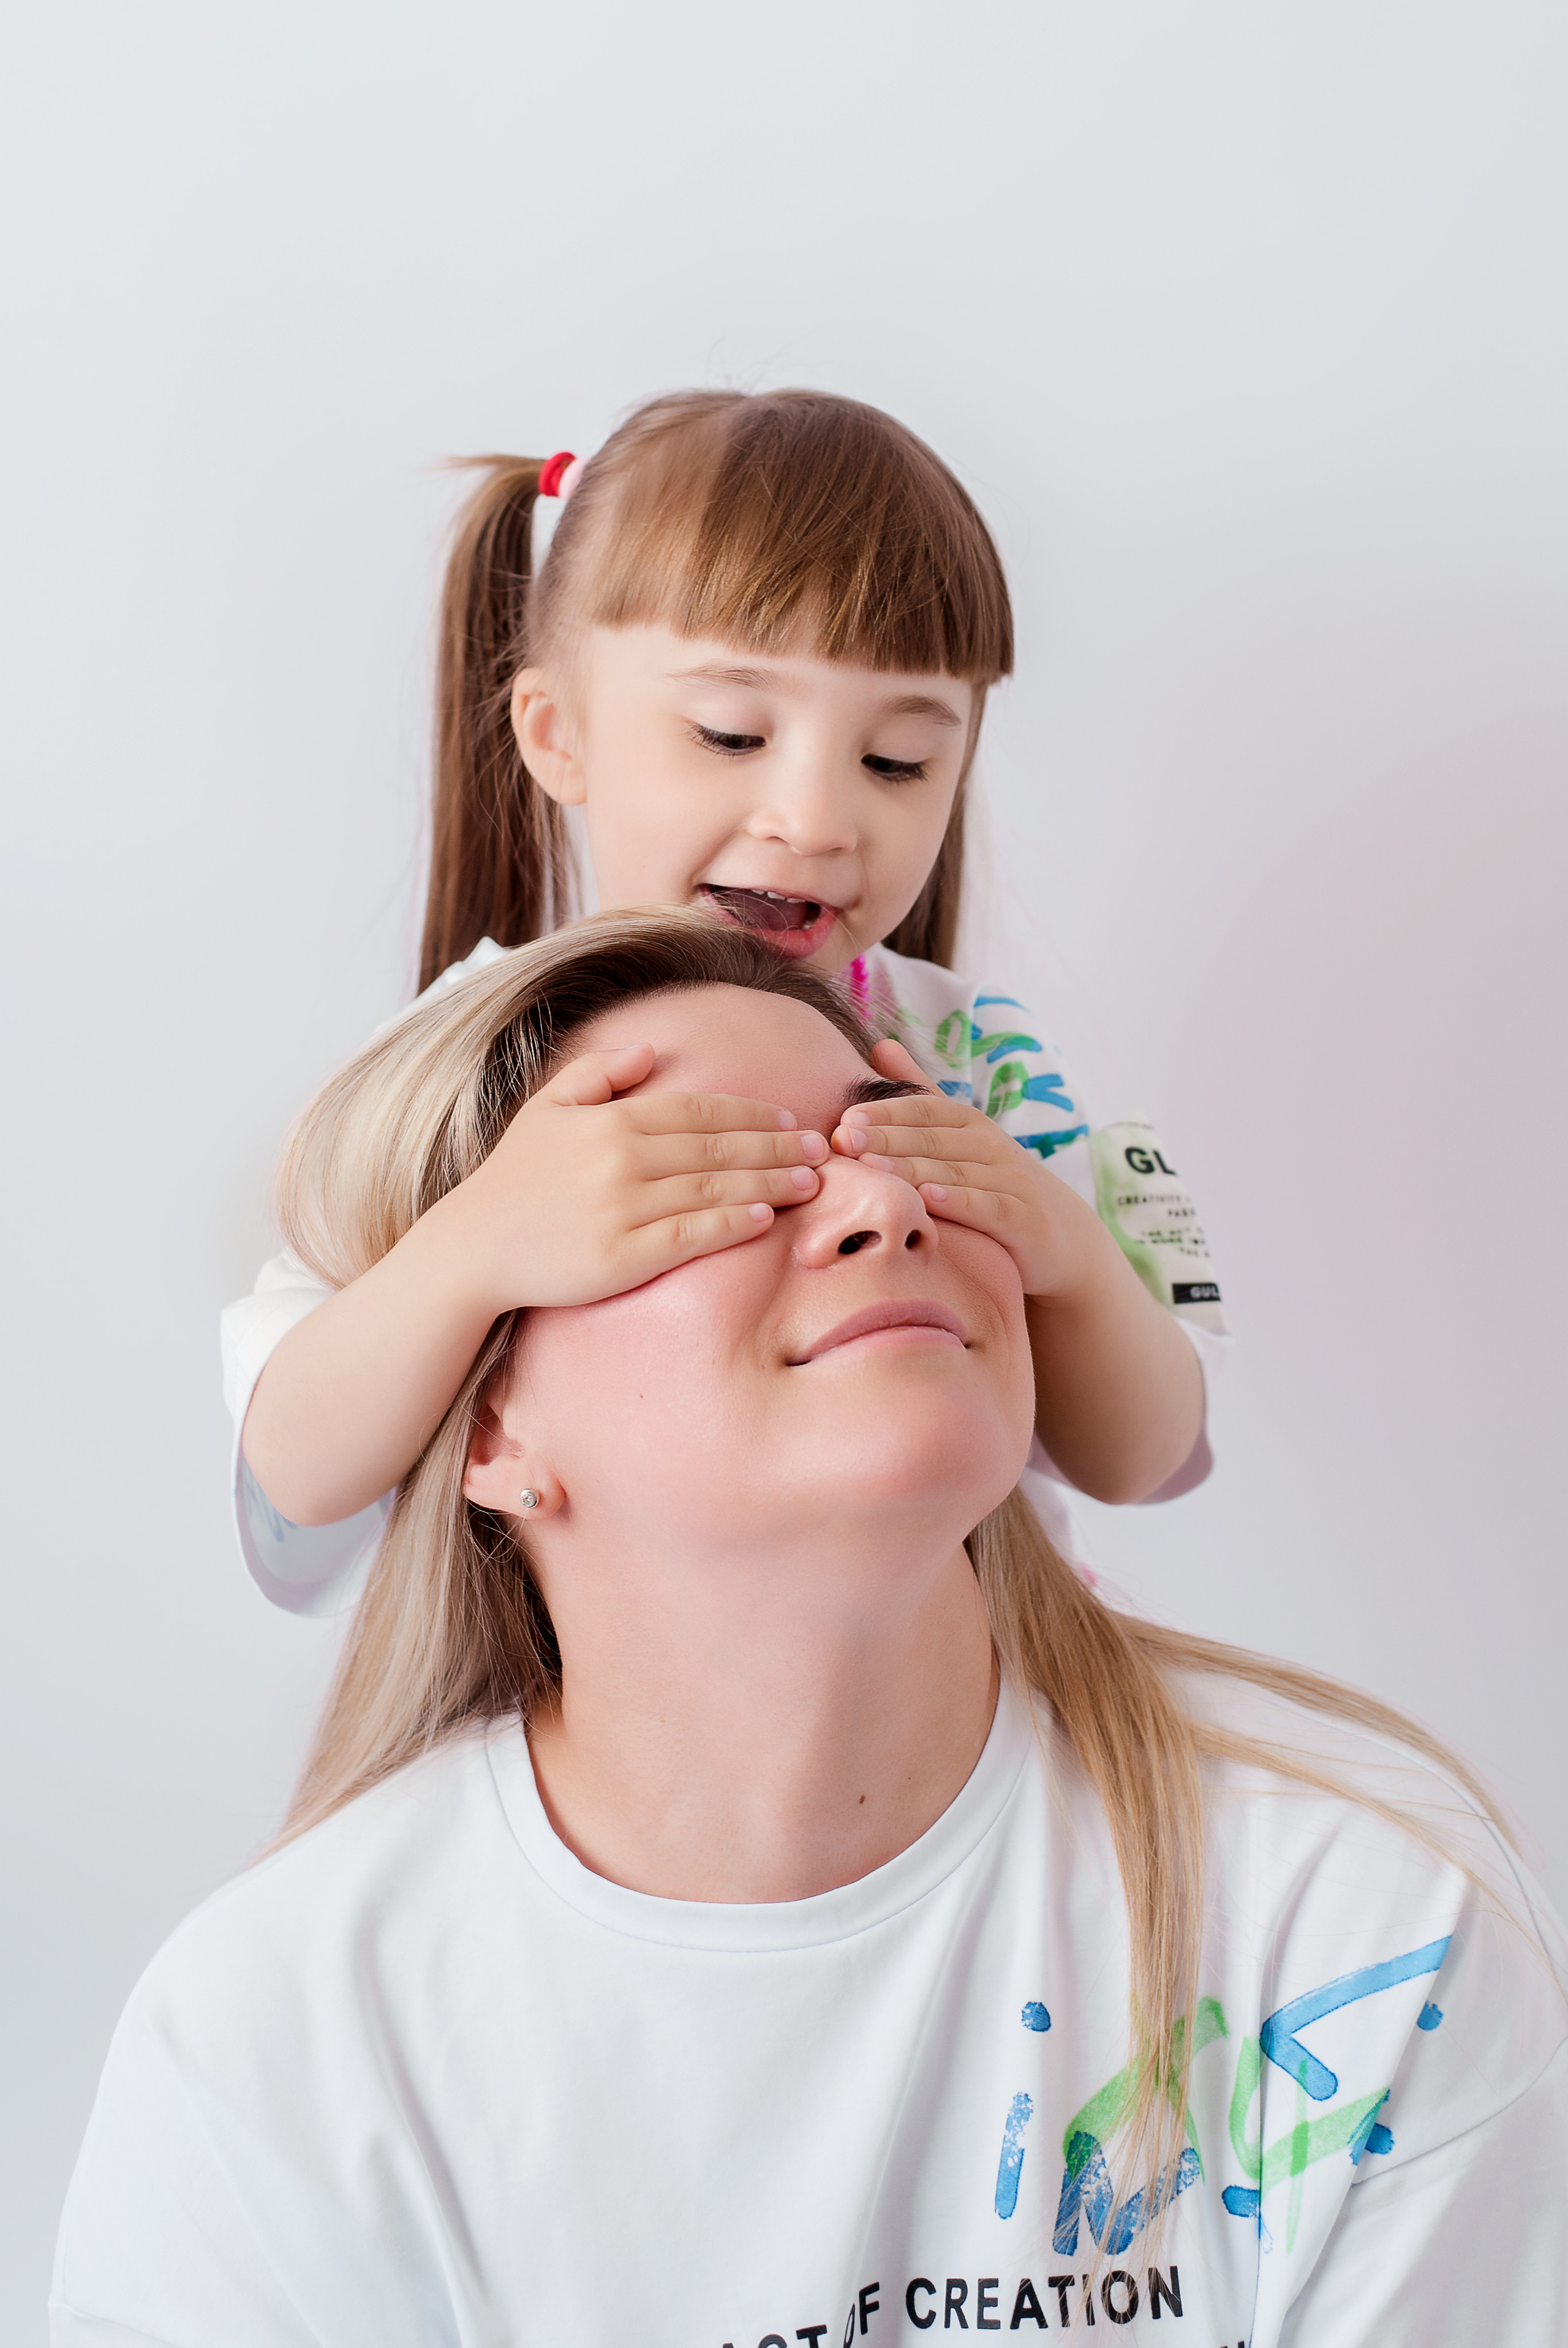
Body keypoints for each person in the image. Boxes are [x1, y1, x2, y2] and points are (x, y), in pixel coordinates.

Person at [59, 913, 1566, 2346]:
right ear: (490, 1426)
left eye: (899, 1143)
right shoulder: (277, 2044)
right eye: (703, 1178)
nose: (881, 1206)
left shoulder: (1358, 1931)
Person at [222, 388, 1229, 1621]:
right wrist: (476, 1251)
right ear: (557, 732)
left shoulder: (978, 1062)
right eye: (731, 734)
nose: (816, 819)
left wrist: (1062, 1249)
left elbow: (1145, 1461)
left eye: (897, 761)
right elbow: (294, 1508)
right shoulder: (473, 1057)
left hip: (961, 1688)